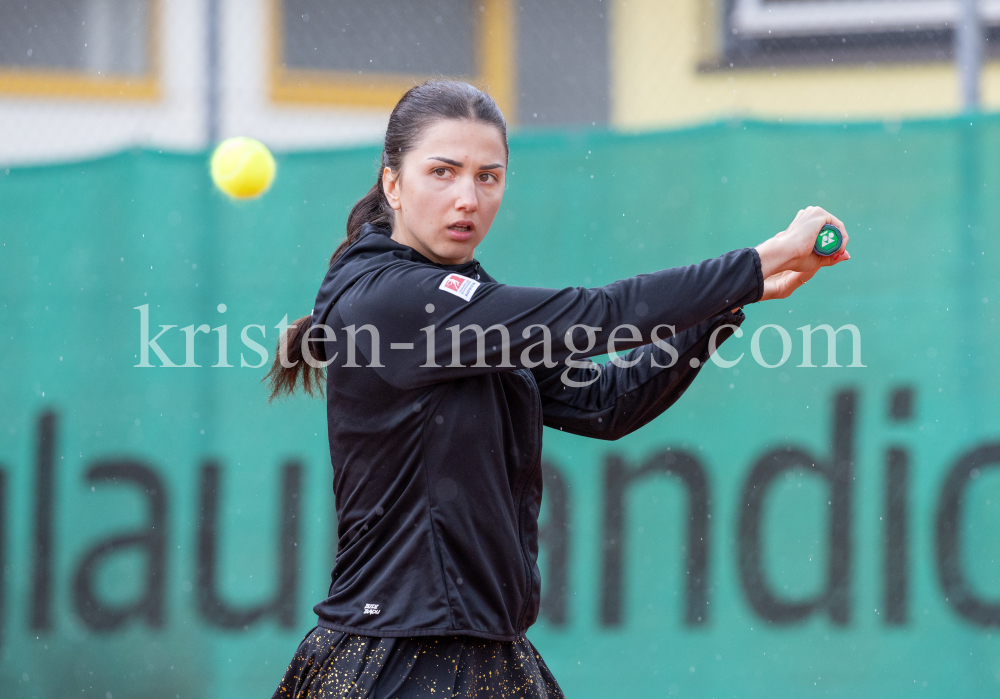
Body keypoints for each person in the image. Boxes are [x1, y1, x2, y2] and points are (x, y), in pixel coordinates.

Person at [263, 79, 849, 699]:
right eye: (443, 172)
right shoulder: (391, 300)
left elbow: (606, 402)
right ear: (392, 184)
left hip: (485, 653)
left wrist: (728, 306)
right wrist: (760, 260)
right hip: (398, 662)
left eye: (488, 177)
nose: (468, 197)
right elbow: (597, 315)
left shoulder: (466, 311)